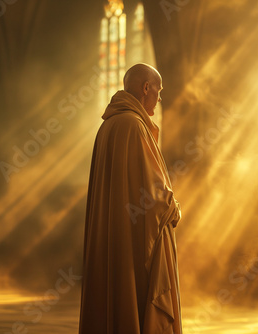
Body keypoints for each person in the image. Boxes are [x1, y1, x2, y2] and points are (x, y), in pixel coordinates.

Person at [78, 63, 182, 334]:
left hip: (113, 239)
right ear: (145, 87)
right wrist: (173, 209)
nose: (159, 99)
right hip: (134, 243)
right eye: (158, 91)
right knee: (137, 303)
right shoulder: (134, 126)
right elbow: (154, 193)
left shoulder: (108, 127)